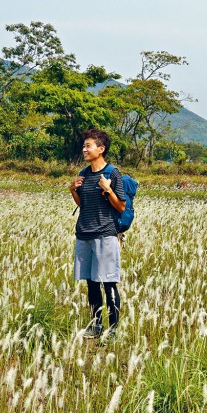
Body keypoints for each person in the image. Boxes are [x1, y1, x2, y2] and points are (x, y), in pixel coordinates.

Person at [69, 129, 126, 341]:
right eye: (84, 146)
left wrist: (108, 189)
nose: (84, 149)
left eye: (88, 146)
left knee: (108, 282)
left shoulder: (112, 173)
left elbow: (121, 206)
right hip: (84, 233)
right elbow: (83, 204)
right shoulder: (83, 174)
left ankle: (114, 330)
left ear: (101, 149)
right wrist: (73, 190)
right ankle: (96, 325)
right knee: (91, 283)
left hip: (105, 234)